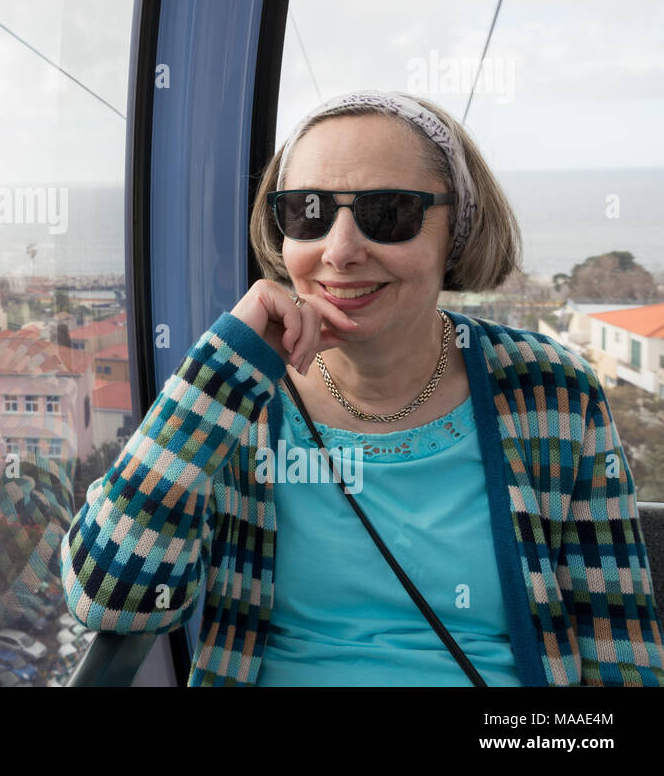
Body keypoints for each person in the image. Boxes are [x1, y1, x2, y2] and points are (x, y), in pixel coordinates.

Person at [60, 90, 664, 686]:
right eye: (308, 212)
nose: (341, 250)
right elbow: (111, 597)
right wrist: (216, 375)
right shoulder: (239, 401)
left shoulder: (548, 392)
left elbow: (622, 654)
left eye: (389, 214)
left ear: (457, 230)